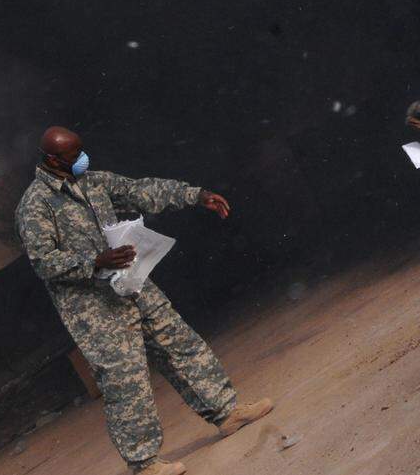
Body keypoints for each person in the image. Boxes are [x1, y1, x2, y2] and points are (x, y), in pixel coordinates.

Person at [14, 126, 272, 475]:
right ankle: (144, 463)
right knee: (126, 382)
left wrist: (194, 195)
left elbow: (139, 191)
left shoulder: (93, 181)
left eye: (82, 151)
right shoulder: (35, 205)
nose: (83, 159)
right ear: (52, 160)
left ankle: (226, 412)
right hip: (94, 310)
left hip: (133, 285)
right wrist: (94, 262)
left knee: (180, 345)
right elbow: (43, 261)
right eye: (75, 155)